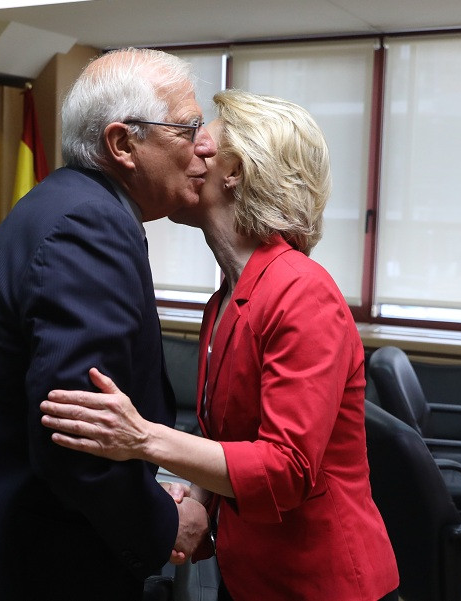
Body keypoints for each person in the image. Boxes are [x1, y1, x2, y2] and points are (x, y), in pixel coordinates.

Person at [41, 89, 400, 601]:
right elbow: (223, 438)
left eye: (202, 138)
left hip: (321, 582)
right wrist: (191, 502)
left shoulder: (302, 291)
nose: (190, 150)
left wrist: (144, 438)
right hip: (248, 571)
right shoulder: (227, 297)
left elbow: (285, 471)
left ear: (234, 170)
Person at [0, 48, 215, 601]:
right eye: (187, 128)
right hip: (16, 558)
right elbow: (76, 439)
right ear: (122, 144)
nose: (204, 144)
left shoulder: (70, 203)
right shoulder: (89, 226)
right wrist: (162, 524)